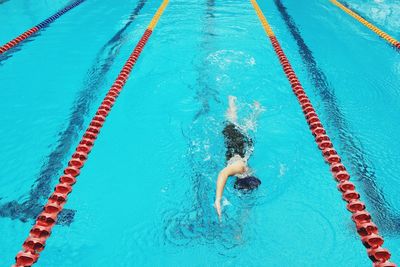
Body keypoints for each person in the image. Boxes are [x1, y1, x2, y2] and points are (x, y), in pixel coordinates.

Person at [214, 96, 262, 218]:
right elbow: (222, 174)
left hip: (240, 146)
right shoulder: (240, 168)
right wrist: (217, 200)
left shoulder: (245, 170)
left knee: (243, 126)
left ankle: (253, 110)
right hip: (235, 142)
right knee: (233, 122)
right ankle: (233, 102)